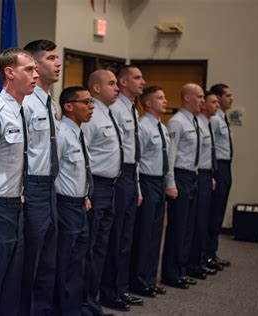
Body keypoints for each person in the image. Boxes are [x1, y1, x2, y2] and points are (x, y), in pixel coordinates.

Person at [0, 48, 39, 316]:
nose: (35, 75)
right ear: (10, 72)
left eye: (36, 70)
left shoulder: (21, 110)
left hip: (18, 205)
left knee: (13, 280)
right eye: (29, 69)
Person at [20, 39, 61, 316]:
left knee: (49, 260)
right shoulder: (25, 104)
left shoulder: (51, 102)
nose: (57, 63)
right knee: (30, 261)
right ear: (35, 65)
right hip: (31, 186)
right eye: (50, 58)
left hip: (50, 186)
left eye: (58, 58)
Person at [100, 65, 145, 310]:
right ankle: (109, 291)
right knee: (115, 237)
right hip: (117, 175)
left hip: (129, 173)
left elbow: (132, 152)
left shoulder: (131, 110)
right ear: (124, 81)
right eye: (137, 78)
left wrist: (136, 185)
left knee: (126, 236)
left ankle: (121, 287)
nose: (143, 82)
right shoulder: (114, 109)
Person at [80, 69, 122, 315]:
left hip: (111, 186)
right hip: (95, 187)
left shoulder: (108, 113)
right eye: (111, 83)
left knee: (101, 248)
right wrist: (86, 190)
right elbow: (82, 157)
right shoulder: (91, 117)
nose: (116, 88)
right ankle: (85, 303)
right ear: (96, 88)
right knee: (90, 247)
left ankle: (93, 301)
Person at [54, 86, 94, 316]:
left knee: (79, 260)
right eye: (86, 102)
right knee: (66, 262)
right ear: (69, 106)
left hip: (80, 203)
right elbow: (53, 173)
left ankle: (77, 308)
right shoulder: (61, 133)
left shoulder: (79, 132)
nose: (91, 107)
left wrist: (85, 194)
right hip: (65, 205)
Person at [161, 83, 204, 289]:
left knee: (188, 226)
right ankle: (171, 272)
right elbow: (170, 155)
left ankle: (182, 269)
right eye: (199, 96)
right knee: (178, 227)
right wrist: (170, 182)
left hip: (192, 175)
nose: (202, 101)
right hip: (179, 176)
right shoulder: (177, 122)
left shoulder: (194, 121)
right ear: (187, 98)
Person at [129, 86, 169, 298]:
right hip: (146, 181)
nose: (165, 100)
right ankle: (138, 280)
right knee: (144, 234)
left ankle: (150, 279)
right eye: (160, 97)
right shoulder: (143, 126)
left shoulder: (162, 127)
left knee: (155, 233)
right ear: (148, 103)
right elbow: (136, 160)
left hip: (160, 181)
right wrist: (137, 187)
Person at [187, 91, 220, 278]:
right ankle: (193, 262)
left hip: (206, 173)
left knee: (204, 219)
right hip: (196, 174)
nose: (202, 102)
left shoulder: (205, 123)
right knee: (196, 221)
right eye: (210, 101)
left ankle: (200, 260)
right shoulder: (195, 122)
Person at [206, 83, 234, 270]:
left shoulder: (223, 117)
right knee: (214, 212)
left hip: (226, 165)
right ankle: (208, 253)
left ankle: (212, 252)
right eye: (227, 95)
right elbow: (211, 147)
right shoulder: (215, 120)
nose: (231, 98)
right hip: (218, 167)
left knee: (219, 211)